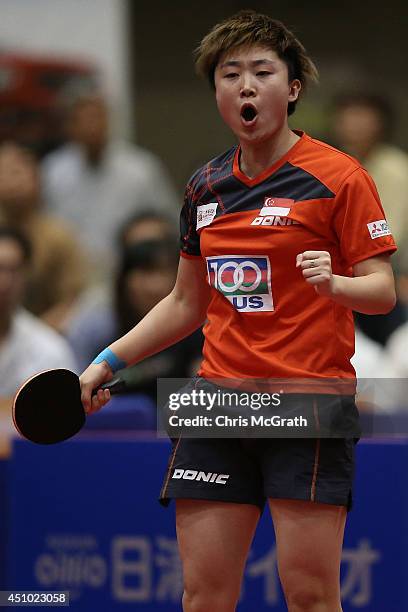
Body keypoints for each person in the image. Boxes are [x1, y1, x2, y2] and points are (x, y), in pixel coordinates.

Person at [79, 11, 397, 612]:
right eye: (230, 75)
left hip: (307, 401)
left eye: (261, 71)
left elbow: (382, 290)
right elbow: (183, 303)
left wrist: (337, 286)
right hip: (218, 401)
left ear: (293, 88)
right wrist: (105, 362)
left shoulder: (339, 178)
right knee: (204, 596)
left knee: (309, 595)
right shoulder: (205, 187)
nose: (245, 85)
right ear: (219, 94)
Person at [41, 92, 179, 278]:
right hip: (69, 276)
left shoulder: (140, 169)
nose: (90, 126)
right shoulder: (53, 171)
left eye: (96, 117)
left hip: (130, 273)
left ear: (108, 121)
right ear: (70, 126)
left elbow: (169, 222)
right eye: (81, 119)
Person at [0, 226, 77, 454]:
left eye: (12, 270)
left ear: (26, 275)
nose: (3, 282)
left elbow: (60, 430)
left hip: (28, 472)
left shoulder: (50, 348)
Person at [0, 142, 87, 331]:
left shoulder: (59, 236)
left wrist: (35, 335)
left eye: (19, 172)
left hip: (49, 336)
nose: (13, 181)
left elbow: (72, 300)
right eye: (5, 172)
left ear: (37, 179)